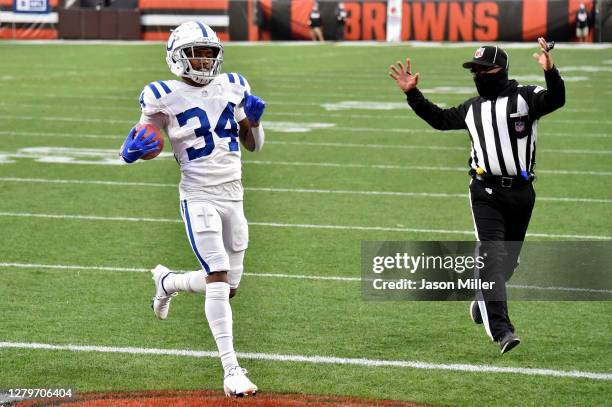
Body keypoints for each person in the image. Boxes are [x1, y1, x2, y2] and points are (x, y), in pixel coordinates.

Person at [388, 38, 565, 354]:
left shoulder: (526, 97)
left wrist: (551, 70)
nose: (479, 75)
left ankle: (482, 298)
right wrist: (412, 94)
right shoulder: (472, 108)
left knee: (506, 265)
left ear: (501, 70)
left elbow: (556, 99)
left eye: (485, 69)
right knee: (493, 259)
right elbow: (440, 119)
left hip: (523, 193)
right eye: (475, 70)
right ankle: (502, 332)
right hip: (485, 192)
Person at [118, 21, 266, 396]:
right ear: (177, 56)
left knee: (228, 287)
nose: (203, 60)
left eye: (209, 53)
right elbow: (140, 140)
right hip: (198, 193)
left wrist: (254, 121)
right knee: (217, 274)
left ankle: (168, 282)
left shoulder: (235, 85)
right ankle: (231, 370)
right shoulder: (161, 94)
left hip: (234, 193)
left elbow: (254, 146)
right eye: (195, 53)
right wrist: (128, 153)